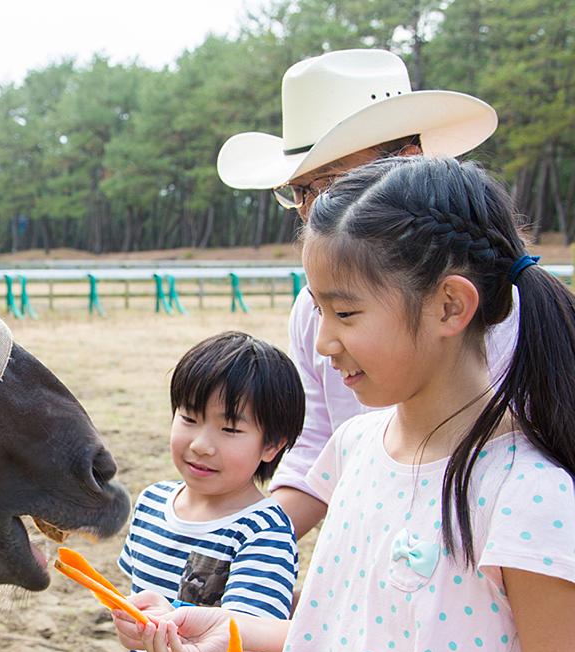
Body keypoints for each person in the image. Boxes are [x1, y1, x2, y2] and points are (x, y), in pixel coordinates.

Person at [116, 157, 575, 652]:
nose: (323, 342)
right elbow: (352, 631)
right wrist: (233, 632)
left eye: (345, 313)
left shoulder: (527, 493)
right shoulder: (356, 447)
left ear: (450, 305)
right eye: (318, 310)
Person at [216, 48, 517, 538]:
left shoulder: (500, 308)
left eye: (333, 183)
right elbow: (317, 446)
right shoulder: (313, 313)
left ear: (410, 161)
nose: (314, 212)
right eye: (301, 190)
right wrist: (245, 546)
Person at [115, 331, 305, 652]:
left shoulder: (262, 529)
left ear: (272, 445)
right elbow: (139, 608)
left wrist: (171, 621)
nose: (201, 444)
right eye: (190, 418)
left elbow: (249, 636)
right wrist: (132, 624)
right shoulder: (152, 502)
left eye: (230, 429)